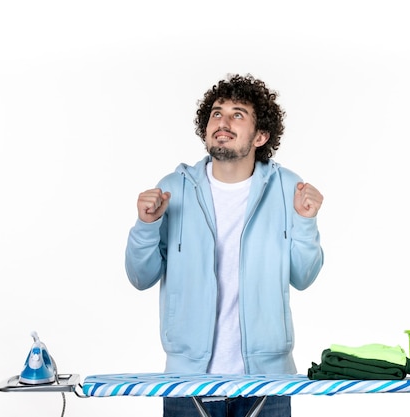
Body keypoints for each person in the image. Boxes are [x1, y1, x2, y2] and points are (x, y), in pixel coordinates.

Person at [125, 74, 324, 417]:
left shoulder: (287, 187)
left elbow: (303, 276)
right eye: (217, 113)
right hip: (187, 383)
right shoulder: (174, 188)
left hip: (268, 383)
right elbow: (140, 277)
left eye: (237, 114)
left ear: (260, 136)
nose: (223, 122)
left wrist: (306, 221)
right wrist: (146, 225)